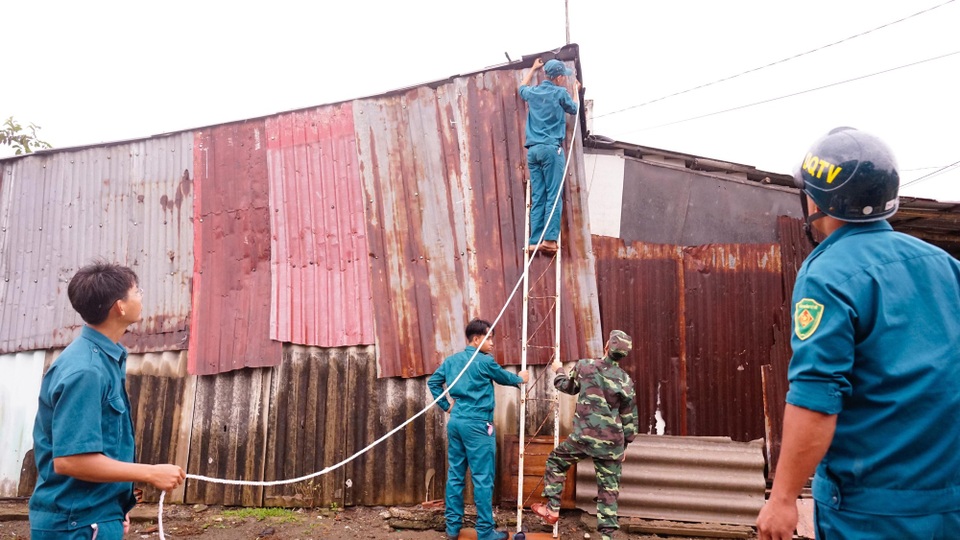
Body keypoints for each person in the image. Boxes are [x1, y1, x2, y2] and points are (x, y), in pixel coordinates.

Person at [756, 128, 960, 540]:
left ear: (816, 201)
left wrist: (782, 499)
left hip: (872, 512)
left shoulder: (828, 274)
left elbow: (816, 397)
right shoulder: (945, 265)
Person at [29, 262, 186, 540]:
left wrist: (115, 505)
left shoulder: (104, 358)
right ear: (120, 307)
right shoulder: (86, 371)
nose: (141, 297)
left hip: (96, 515)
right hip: (76, 526)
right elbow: (71, 461)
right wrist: (150, 473)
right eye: (137, 292)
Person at [531, 330, 639, 540]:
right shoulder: (625, 380)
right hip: (612, 443)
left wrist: (558, 369)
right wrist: (624, 446)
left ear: (606, 346)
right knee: (608, 491)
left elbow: (567, 386)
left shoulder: (585, 366)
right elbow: (629, 419)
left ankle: (552, 508)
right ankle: (607, 537)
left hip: (584, 438)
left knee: (556, 461)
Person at [428, 318, 530, 540]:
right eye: (489, 338)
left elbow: (433, 382)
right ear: (476, 339)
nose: (492, 343)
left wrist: (446, 406)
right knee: (483, 478)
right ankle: (485, 532)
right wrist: (520, 378)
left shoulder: (451, 361)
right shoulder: (484, 361)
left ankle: (452, 528)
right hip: (478, 425)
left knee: (456, 474)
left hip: (456, 422)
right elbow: (504, 377)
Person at [519, 57, 580, 255]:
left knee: (538, 196)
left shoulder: (533, 92)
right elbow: (574, 109)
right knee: (553, 194)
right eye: (563, 77)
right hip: (551, 150)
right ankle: (549, 240)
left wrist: (533, 69)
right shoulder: (560, 93)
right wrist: (576, 92)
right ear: (559, 77)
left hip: (533, 151)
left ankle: (534, 240)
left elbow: (521, 88)